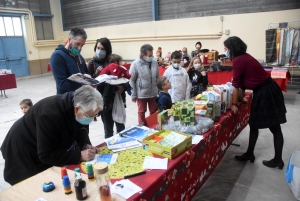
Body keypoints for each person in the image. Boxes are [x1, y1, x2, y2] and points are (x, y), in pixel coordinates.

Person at [1, 85, 102, 185]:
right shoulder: (49, 115)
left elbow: (80, 128)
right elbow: (46, 155)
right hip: (23, 148)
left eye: (96, 115)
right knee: (34, 185)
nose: (92, 119)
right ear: (77, 109)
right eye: (91, 116)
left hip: (39, 141)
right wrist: (79, 155)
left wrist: (85, 145)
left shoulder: (76, 103)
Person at [224, 36, 287, 169]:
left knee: (274, 126)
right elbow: (241, 82)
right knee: (254, 124)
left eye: (226, 49)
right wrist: (241, 98)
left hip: (266, 92)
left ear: (232, 48)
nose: (226, 52)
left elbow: (236, 84)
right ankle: (250, 153)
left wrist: (235, 104)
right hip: (266, 90)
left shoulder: (239, 60)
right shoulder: (245, 57)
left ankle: (277, 160)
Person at [50, 28, 90, 94]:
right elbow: (62, 84)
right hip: (66, 99)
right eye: (77, 44)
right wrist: (83, 84)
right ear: (69, 39)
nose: (80, 48)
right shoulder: (57, 56)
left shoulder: (79, 56)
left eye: (82, 45)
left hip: (81, 97)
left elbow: (86, 72)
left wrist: (89, 78)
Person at [129, 44, 159, 125]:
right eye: (150, 55)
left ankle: (153, 126)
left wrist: (159, 90)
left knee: (154, 111)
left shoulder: (154, 62)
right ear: (143, 55)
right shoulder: (135, 64)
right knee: (141, 112)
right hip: (141, 93)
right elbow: (131, 80)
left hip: (153, 92)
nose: (152, 57)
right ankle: (142, 128)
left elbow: (157, 77)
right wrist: (134, 94)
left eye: (152, 54)